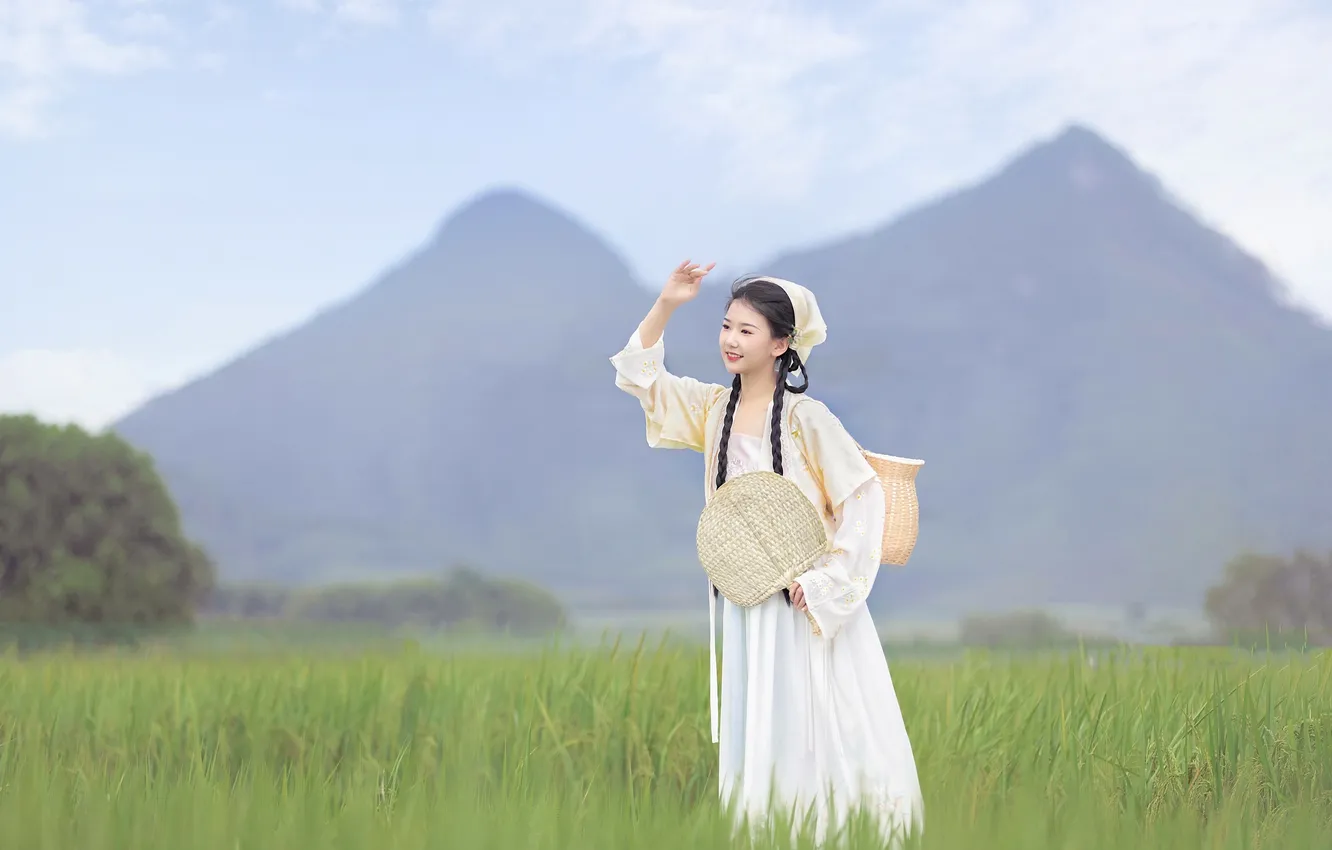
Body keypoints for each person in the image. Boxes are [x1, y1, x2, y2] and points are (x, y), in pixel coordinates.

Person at [609, 260, 925, 846]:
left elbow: (862, 500)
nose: (730, 339)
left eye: (747, 330)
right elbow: (639, 378)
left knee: (815, 721)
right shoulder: (712, 410)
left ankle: (825, 831)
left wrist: (826, 583)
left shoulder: (810, 419)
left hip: (805, 604)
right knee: (760, 719)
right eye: (727, 326)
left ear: (782, 344)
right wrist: (668, 304)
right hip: (747, 596)